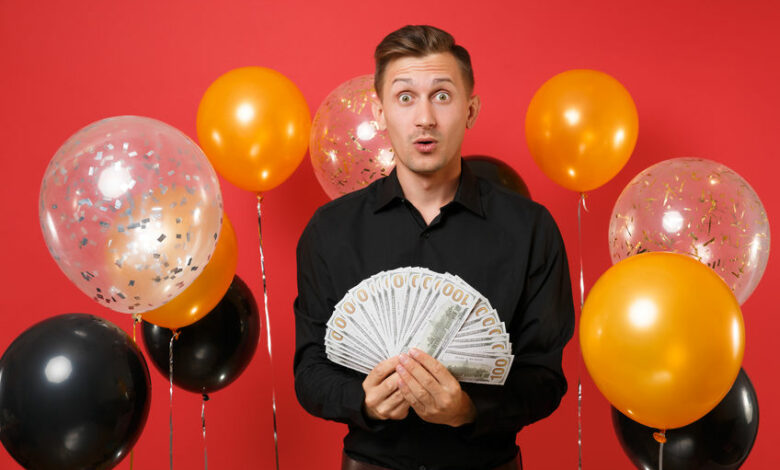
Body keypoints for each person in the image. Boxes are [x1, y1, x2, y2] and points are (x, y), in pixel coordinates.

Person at [293, 25, 575, 470]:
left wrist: (468, 410)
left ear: (470, 110)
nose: (424, 117)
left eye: (442, 96)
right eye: (405, 97)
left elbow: (544, 378)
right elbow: (309, 371)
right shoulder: (330, 231)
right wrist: (362, 402)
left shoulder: (530, 229)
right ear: (381, 112)